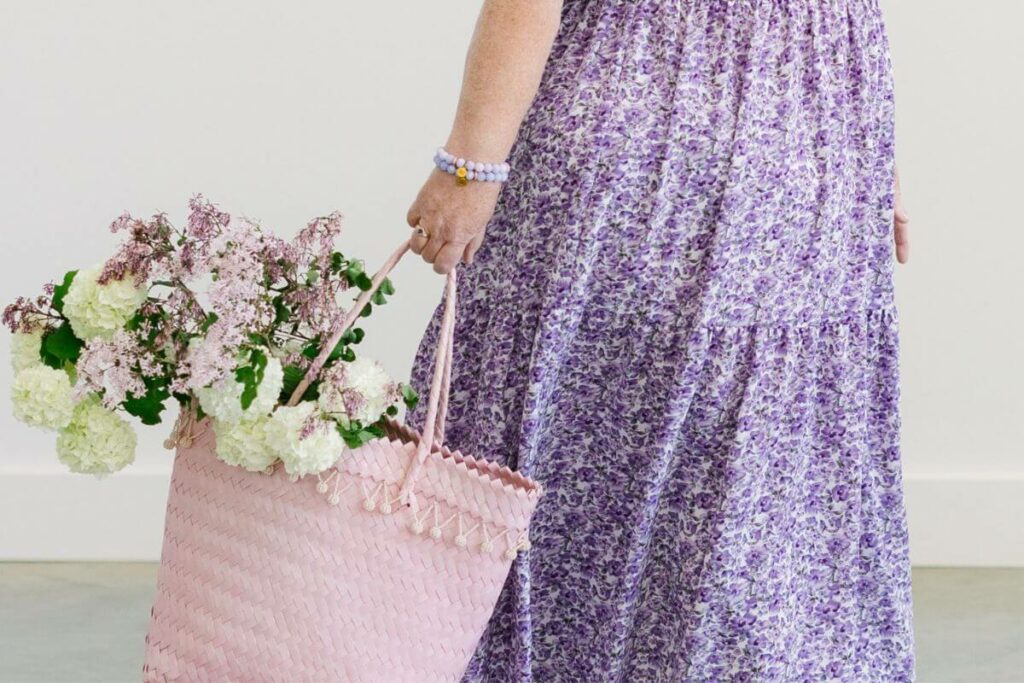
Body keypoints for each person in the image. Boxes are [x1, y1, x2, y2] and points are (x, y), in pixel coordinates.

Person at [405, 0, 915, 680]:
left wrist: (470, 165)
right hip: (814, 124)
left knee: (557, 452)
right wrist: (868, 151)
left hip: (644, 136)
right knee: (758, 490)